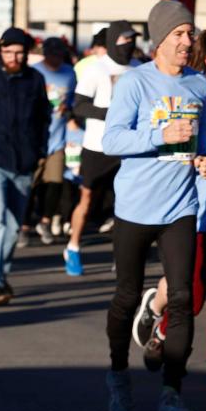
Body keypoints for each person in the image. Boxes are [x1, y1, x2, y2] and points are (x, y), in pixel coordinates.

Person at [102, 0, 206, 411]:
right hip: (134, 206)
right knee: (127, 295)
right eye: (180, 34)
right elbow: (112, 140)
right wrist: (158, 134)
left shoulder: (198, 86)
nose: (189, 41)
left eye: (191, 33)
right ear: (160, 40)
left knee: (183, 297)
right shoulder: (134, 82)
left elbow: (200, 143)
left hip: (180, 206)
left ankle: (171, 394)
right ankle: (117, 374)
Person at [131, 28, 206, 411]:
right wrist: (200, 160)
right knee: (195, 298)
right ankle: (163, 323)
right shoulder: (194, 99)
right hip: (197, 212)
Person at [0, 27, 51, 307]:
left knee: (14, 228)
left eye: (19, 52)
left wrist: (41, 151)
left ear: (26, 53)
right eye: (8, 52)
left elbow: (43, 118)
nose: (13, 57)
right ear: (0, 52)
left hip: (25, 162)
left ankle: (1, 277)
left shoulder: (35, 80)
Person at [63, 21, 138, 275]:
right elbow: (79, 106)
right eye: (124, 40)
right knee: (87, 197)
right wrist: (113, 113)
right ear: (113, 40)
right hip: (97, 145)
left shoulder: (140, 68)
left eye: (132, 40)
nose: (128, 45)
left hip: (130, 146)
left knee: (125, 203)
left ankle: (121, 255)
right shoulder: (96, 69)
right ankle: (73, 247)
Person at [26, 37, 76, 246]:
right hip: (35, 137)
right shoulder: (34, 72)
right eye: (52, 54)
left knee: (55, 182)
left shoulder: (69, 73)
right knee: (30, 184)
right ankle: (24, 225)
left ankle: (45, 221)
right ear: (45, 53)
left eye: (59, 54)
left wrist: (69, 110)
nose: (56, 58)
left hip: (57, 137)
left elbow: (74, 98)